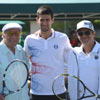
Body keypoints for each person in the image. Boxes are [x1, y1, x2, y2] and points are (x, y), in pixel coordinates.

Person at [24, 5, 72, 100]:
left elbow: (71, 61)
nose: (44, 23)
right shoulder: (29, 39)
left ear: (52, 20)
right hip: (36, 92)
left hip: (58, 92)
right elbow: (25, 62)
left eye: (47, 20)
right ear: (37, 20)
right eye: (42, 20)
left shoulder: (62, 38)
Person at [68, 20, 100, 100]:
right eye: (80, 33)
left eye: (87, 32)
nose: (84, 36)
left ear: (93, 33)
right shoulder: (73, 52)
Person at [0, 23, 30, 100]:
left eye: (16, 33)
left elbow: (28, 70)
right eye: (10, 33)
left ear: (19, 35)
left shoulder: (21, 50)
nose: (13, 36)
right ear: (3, 35)